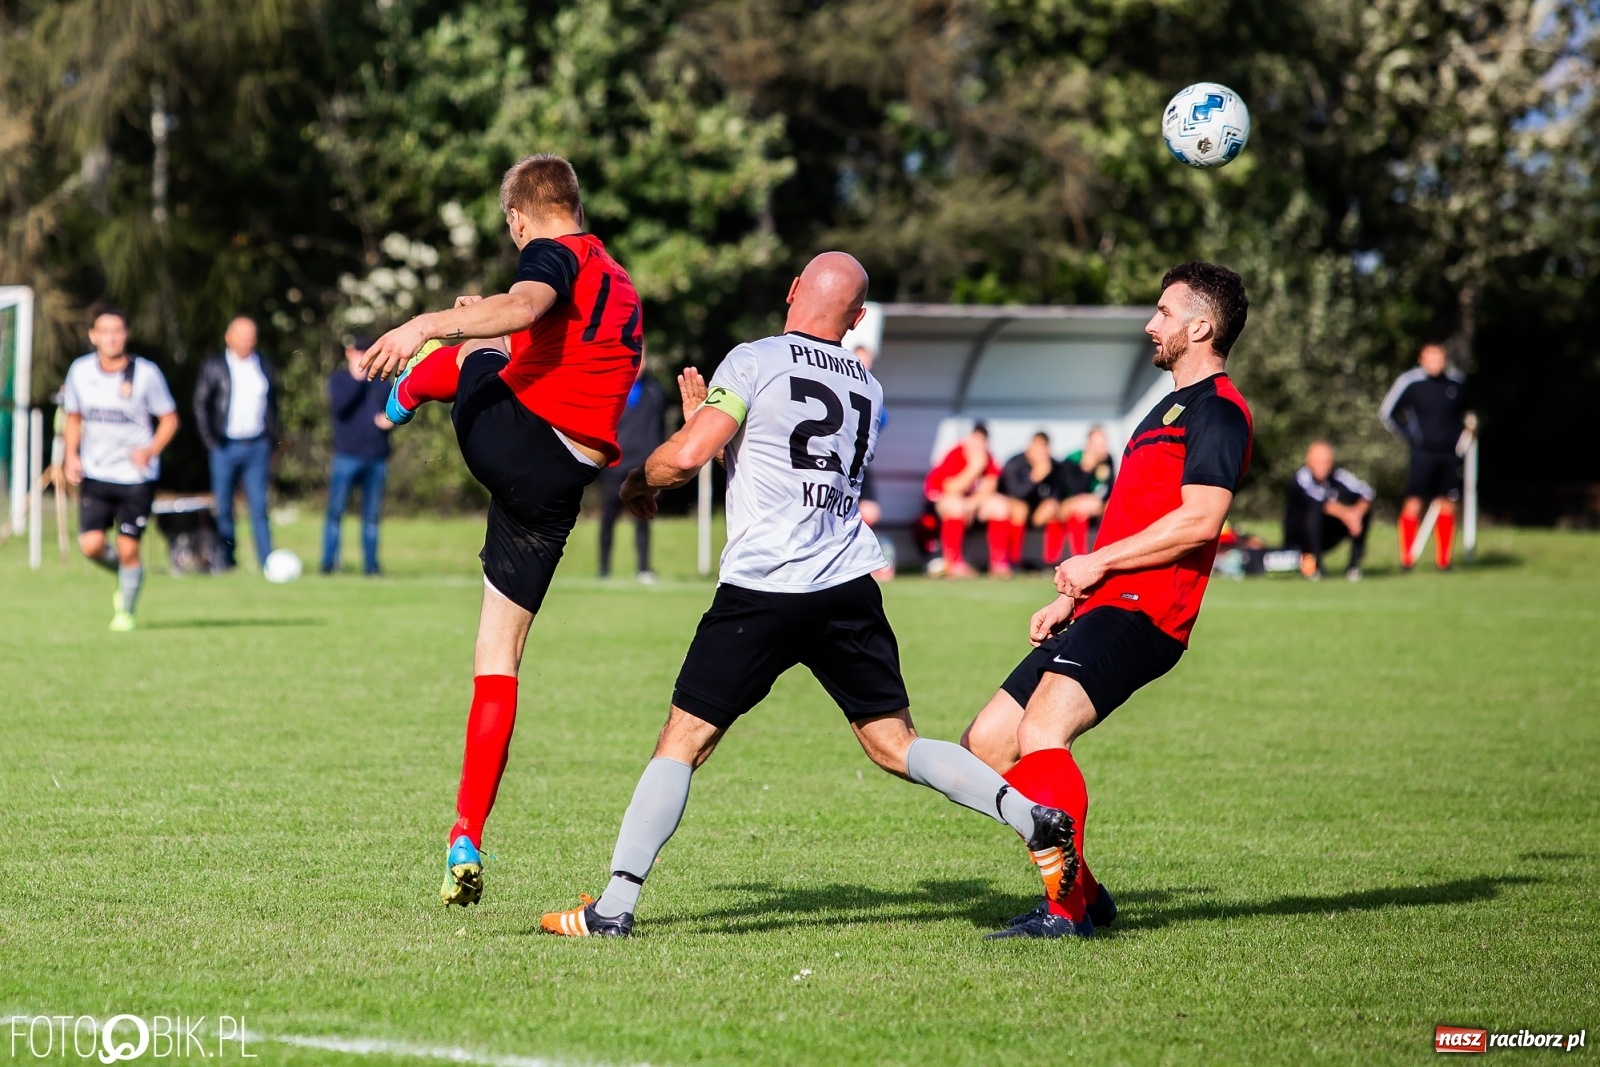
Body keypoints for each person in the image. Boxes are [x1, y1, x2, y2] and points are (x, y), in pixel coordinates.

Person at [536, 252, 1075, 939]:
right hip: (847, 585)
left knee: (683, 740)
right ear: (854, 320)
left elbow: (692, 454)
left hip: (764, 587)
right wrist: (715, 432)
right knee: (894, 742)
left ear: (792, 291)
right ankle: (1031, 817)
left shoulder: (754, 359)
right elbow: (792, 463)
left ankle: (613, 907)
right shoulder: (869, 391)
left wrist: (642, 480)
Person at [358, 153, 644, 907]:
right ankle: (464, 833)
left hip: (524, 448)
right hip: (561, 486)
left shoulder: (553, 253)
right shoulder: (615, 276)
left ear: (520, 216)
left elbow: (520, 310)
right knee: (498, 655)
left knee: (473, 345)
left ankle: (401, 397)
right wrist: (489, 308)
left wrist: (429, 323)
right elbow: (544, 335)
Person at [961, 262, 1253, 939]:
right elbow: (1134, 517)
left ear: (1201, 327)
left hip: (1148, 610)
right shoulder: (1164, 407)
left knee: (1040, 734)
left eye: (1163, 312)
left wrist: (1099, 561)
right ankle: (1087, 893)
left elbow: (1201, 519)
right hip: (1105, 600)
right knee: (988, 743)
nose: (1151, 324)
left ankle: (1064, 913)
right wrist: (1078, 592)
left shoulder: (1220, 410)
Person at [61, 308, 179, 632]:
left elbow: (170, 418)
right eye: (105, 331)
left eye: (118, 331)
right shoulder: (80, 371)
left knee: (129, 548)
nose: (112, 337)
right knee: (91, 546)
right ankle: (127, 574)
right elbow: (74, 416)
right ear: (93, 336)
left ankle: (125, 611)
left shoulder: (146, 374)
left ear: (126, 334)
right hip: (97, 473)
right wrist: (71, 456)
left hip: (136, 477)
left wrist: (151, 449)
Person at [193, 316, 280, 570]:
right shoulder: (215, 366)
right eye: (240, 337)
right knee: (224, 507)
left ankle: (267, 562)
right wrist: (211, 440)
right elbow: (201, 404)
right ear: (228, 338)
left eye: (250, 337)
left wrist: (271, 436)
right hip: (224, 446)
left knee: (259, 506)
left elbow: (272, 404)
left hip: (257, 445)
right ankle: (226, 560)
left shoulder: (263, 364)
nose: (246, 342)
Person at [1379, 342, 1467, 570]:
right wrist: (1409, 435)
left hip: (1449, 453)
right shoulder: (1410, 381)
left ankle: (1444, 561)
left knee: (1448, 503)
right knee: (1414, 501)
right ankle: (1407, 559)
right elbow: (1387, 412)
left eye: (1439, 358)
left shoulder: (1456, 383)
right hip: (1422, 453)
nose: (1435, 363)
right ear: (1422, 359)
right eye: (1430, 358)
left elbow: (1465, 414)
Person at [322, 334, 395, 575]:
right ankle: (329, 564)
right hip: (347, 456)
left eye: (366, 352)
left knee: (371, 516)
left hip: (376, 456)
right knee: (335, 513)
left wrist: (390, 419)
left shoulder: (382, 382)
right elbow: (339, 407)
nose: (362, 356)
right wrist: (357, 379)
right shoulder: (341, 380)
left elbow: (396, 409)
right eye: (358, 352)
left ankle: (371, 566)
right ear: (349, 354)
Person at [598, 359, 666, 582]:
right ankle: (604, 569)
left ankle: (644, 568)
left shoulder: (654, 392)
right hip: (614, 466)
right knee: (608, 519)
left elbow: (660, 428)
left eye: (645, 358)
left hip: (642, 466)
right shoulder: (611, 387)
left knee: (643, 518)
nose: (640, 363)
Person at [1283, 441, 1372, 582]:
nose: (1322, 467)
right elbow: (1319, 502)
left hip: (1326, 534)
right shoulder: (1301, 478)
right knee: (1314, 513)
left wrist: (1357, 513)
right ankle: (1316, 566)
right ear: (1308, 462)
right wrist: (1348, 515)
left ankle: (1353, 567)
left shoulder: (1339, 476)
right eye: (1318, 462)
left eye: (1326, 462)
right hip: (1300, 537)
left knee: (1364, 512)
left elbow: (1367, 493)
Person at [923, 424, 999, 577]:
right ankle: (953, 562)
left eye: (982, 442)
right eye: (975, 440)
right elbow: (951, 489)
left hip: (968, 505)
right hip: (938, 501)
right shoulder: (956, 454)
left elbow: (990, 487)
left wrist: (971, 504)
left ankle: (999, 563)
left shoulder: (987, 457)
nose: (978, 446)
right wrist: (973, 468)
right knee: (956, 506)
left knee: (999, 506)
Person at [985, 432, 1063, 577]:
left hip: (1036, 513)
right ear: (1029, 448)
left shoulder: (1054, 466)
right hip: (1014, 510)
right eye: (1037, 449)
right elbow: (1016, 493)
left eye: (1044, 450)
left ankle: (1052, 563)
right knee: (1020, 508)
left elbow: (1057, 493)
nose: (1041, 454)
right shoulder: (1015, 463)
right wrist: (1036, 477)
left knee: (1053, 508)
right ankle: (1013, 559)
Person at [1047, 426, 1115, 563]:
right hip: (1066, 508)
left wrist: (1099, 504)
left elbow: (1110, 489)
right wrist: (1087, 469)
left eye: (1104, 444)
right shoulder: (1072, 460)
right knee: (1079, 510)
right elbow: (1072, 492)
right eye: (1099, 445)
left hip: (1094, 508)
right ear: (1088, 445)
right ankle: (1071, 558)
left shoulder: (1107, 461)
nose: (1104, 449)